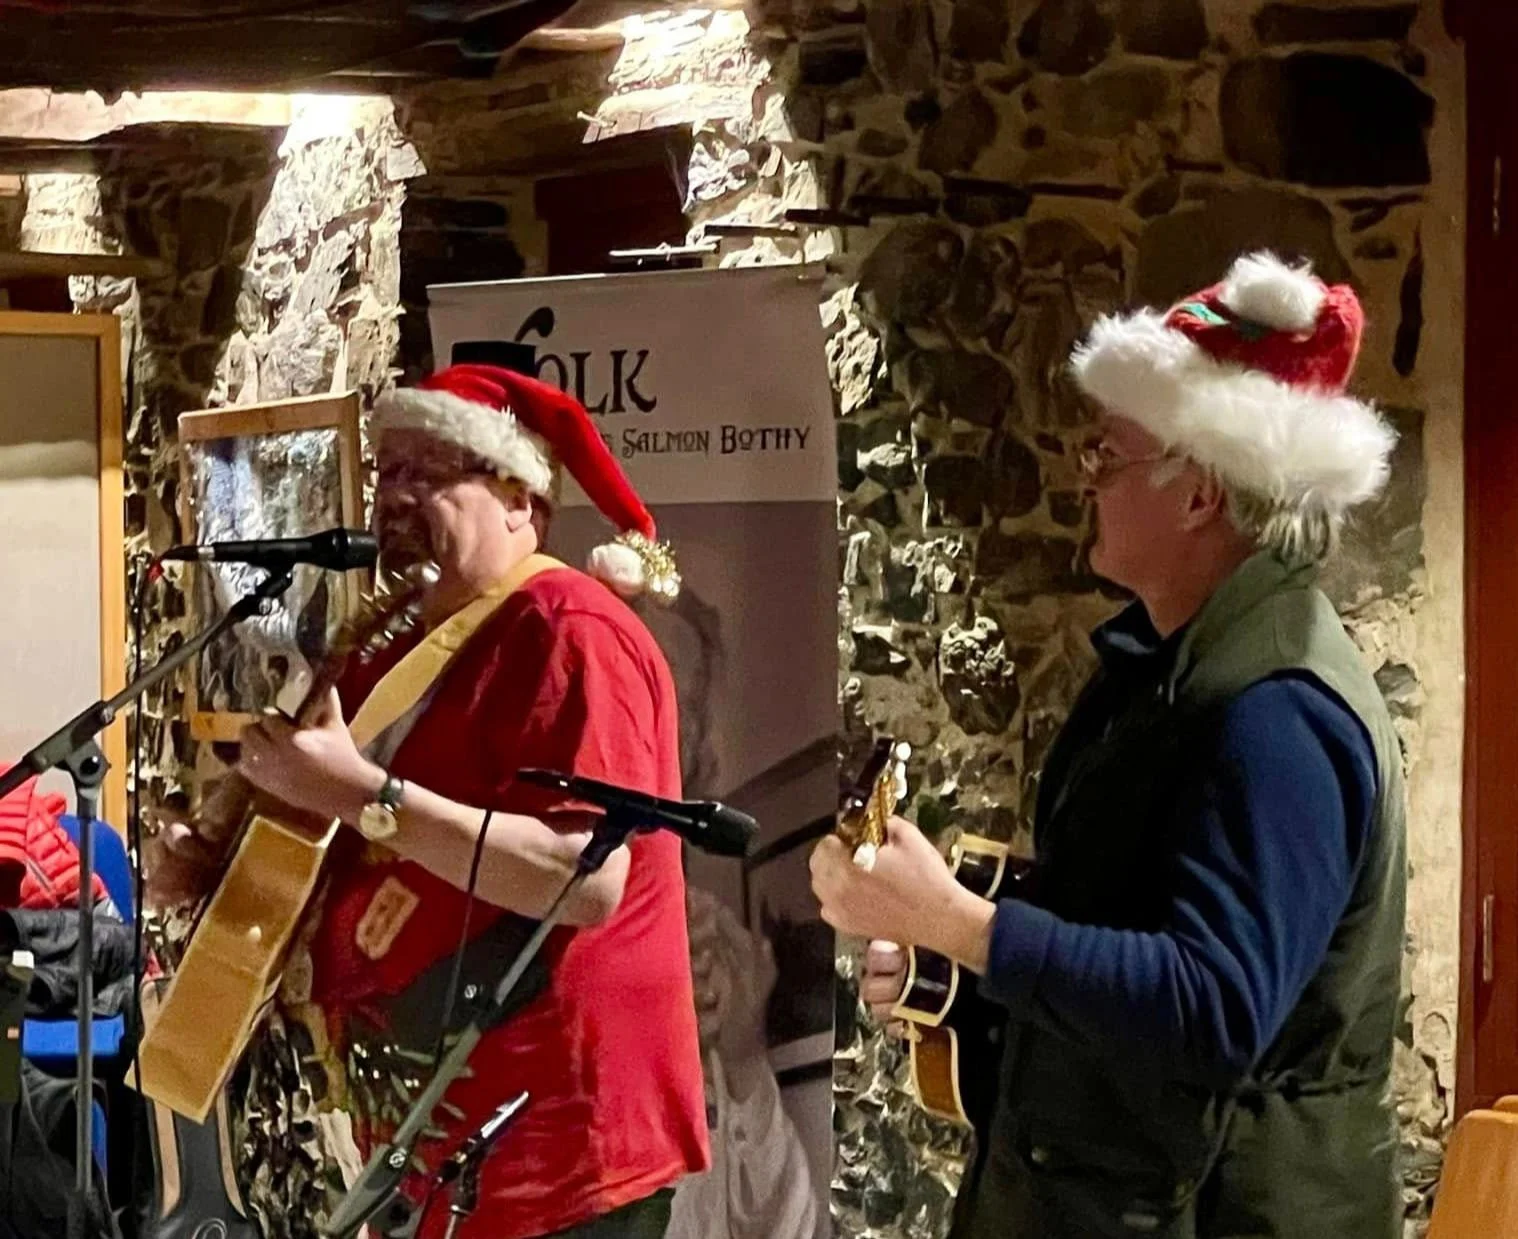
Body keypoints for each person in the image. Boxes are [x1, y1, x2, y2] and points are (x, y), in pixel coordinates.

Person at [811, 252, 1405, 1239]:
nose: (1082, 481)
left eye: (1105, 457)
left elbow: (1214, 1009)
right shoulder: (1166, 665)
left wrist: (965, 925)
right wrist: (951, 964)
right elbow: (1119, 920)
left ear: (1199, 492)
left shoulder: (1280, 710)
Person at [151, 363, 709, 1239]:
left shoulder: (572, 629)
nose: (396, 498)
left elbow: (586, 878)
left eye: (431, 471)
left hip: (560, 1145)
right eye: (388, 472)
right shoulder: (391, 638)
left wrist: (361, 794)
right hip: (432, 1146)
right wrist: (204, 857)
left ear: (521, 501)